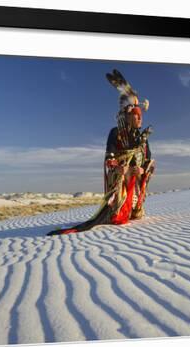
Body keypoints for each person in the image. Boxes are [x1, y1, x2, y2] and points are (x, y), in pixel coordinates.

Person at [47, 69, 155, 236]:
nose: (139, 118)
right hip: (121, 179)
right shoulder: (115, 133)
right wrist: (119, 168)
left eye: (140, 115)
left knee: (136, 214)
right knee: (118, 216)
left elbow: (149, 161)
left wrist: (142, 170)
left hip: (136, 181)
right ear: (127, 116)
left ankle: (135, 206)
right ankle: (116, 209)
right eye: (135, 114)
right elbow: (109, 159)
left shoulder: (143, 138)